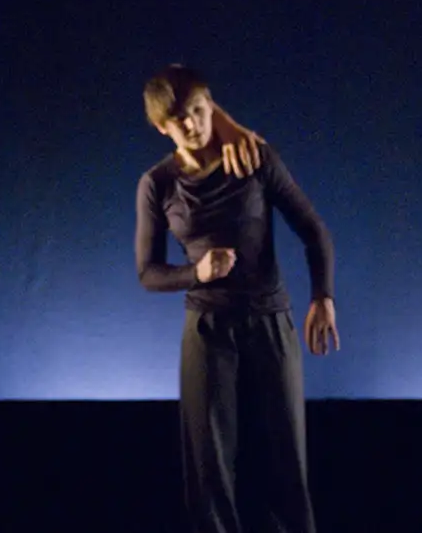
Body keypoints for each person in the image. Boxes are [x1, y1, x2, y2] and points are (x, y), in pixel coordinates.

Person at [133, 65, 339, 533]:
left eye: (199, 111)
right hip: (208, 330)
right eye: (179, 120)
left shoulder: (251, 159)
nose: (193, 124)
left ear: (211, 106)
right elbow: (148, 273)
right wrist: (196, 273)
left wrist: (323, 296)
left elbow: (314, 230)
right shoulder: (158, 184)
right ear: (162, 127)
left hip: (270, 320)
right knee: (209, 469)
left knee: (285, 462)